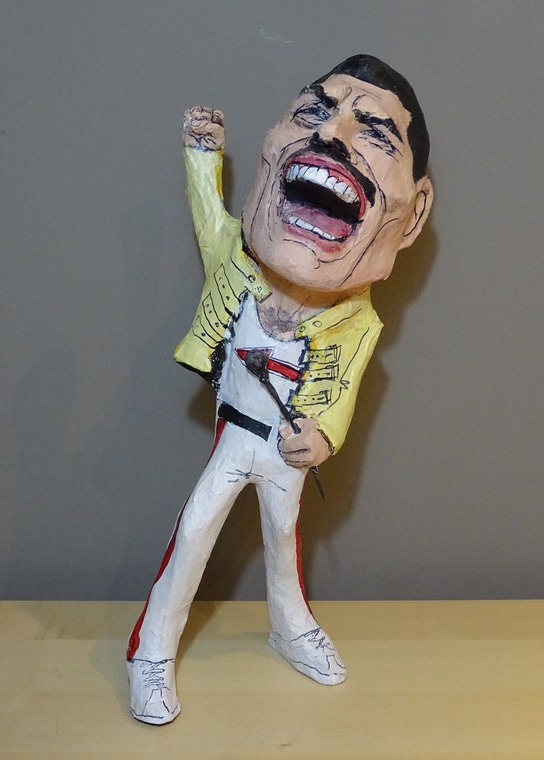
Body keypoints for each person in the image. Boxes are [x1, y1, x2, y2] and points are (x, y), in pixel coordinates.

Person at [127, 54, 434, 725]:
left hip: (284, 450)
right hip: (235, 436)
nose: (330, 134)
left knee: (284, 536)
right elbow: (208, 214)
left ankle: (290, 627)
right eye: (314, 111)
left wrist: (322, 439)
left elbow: (342, 394)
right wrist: (202, 153)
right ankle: (151, 651)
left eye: (375, 133)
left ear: (413, 215)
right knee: (195, 531)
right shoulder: (234, 264)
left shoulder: (358, 323)